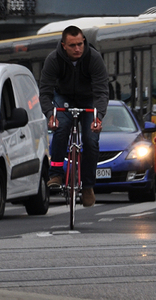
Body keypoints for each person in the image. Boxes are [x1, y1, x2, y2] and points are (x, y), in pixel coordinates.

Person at [39, 26, 109, 207]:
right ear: (63, 46)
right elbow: (45, 92)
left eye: (80, 44)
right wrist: (50, 115)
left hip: (89, 99)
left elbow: (102, 92)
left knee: (91, 139)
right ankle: (55, 173)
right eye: (72, 46)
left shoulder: (94, 58)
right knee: (60, 128)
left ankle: (87, 187)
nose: (78, 49)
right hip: (64, 97)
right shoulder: (53, 60)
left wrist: (98, 116)